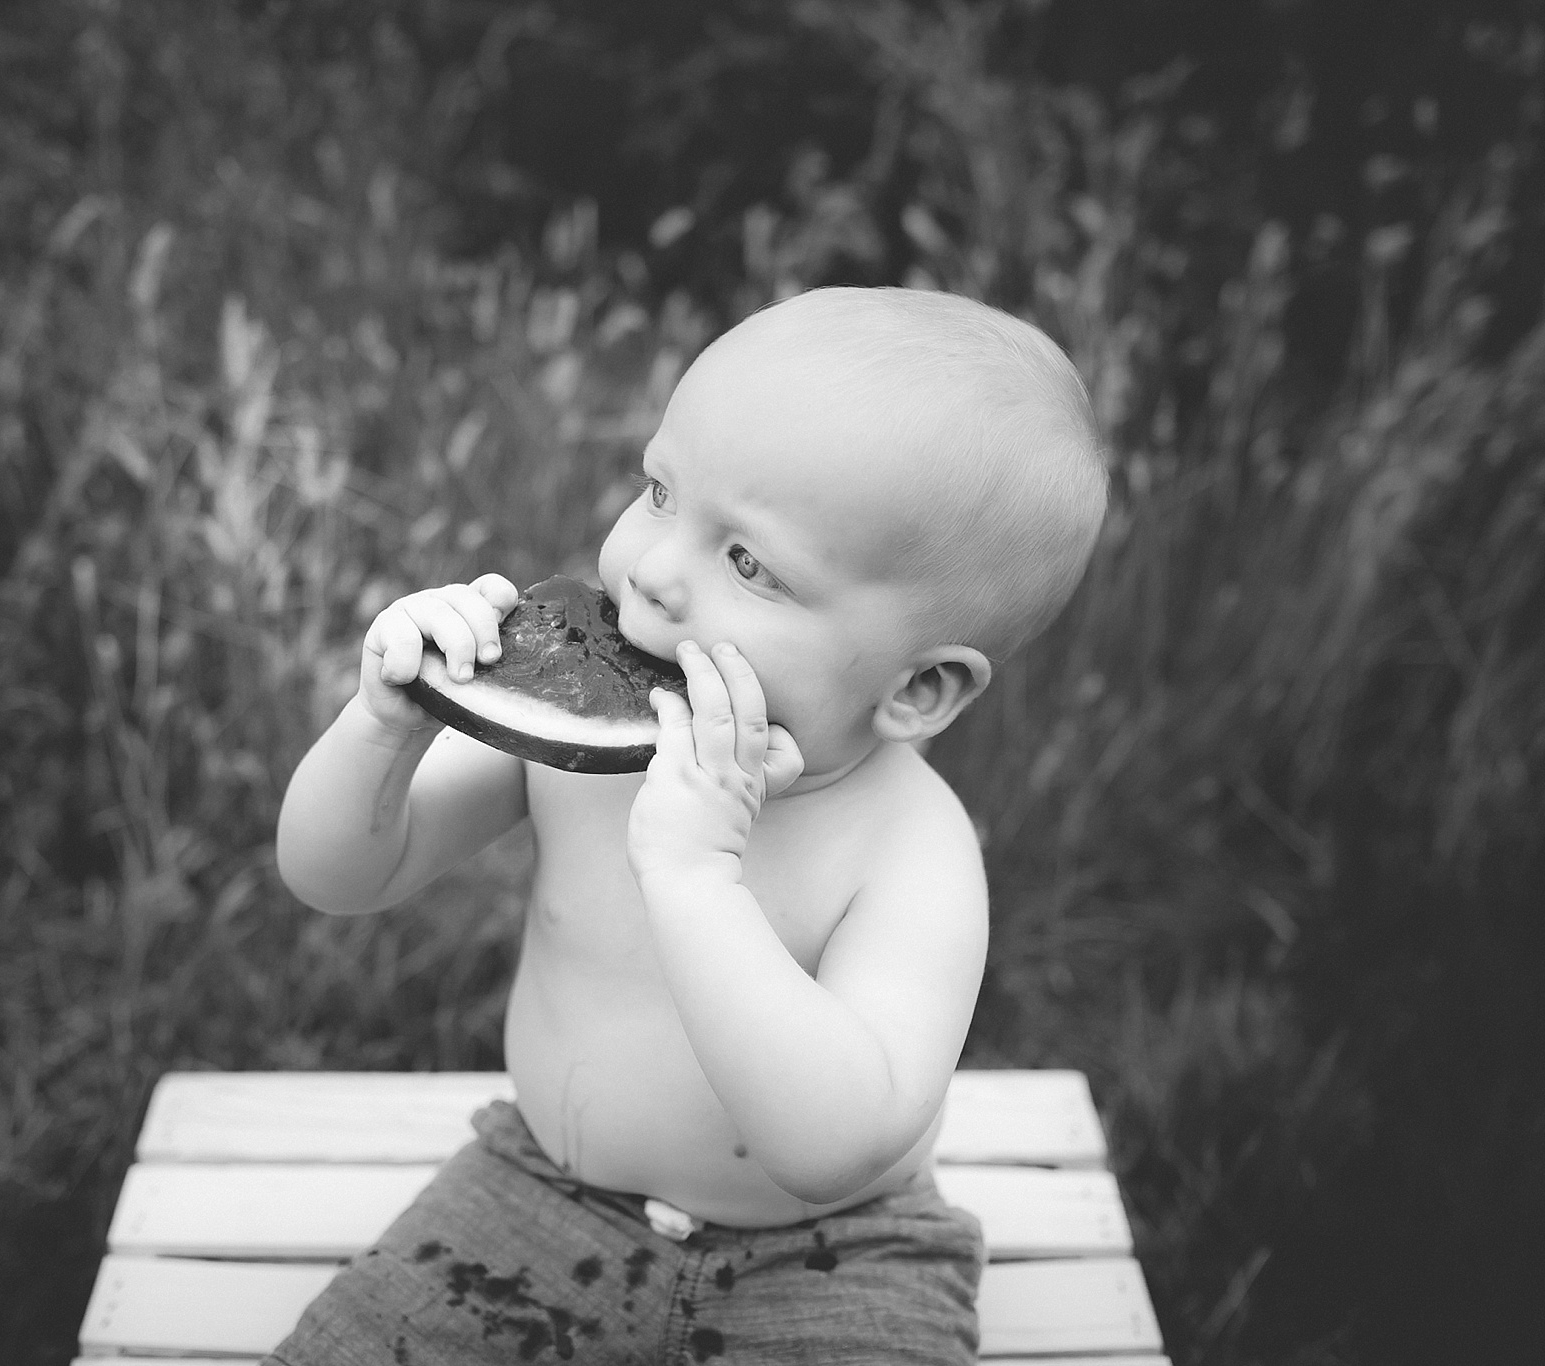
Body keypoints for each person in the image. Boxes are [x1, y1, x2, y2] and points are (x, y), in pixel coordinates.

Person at [270, 286, 1107, 1364]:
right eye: (659, 491)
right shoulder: (588, 745)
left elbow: (832, 1145)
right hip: (537, 1192)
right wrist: (381, 724)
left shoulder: (912, 851)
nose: (653, 574)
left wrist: (696, 878)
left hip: (834, 1255)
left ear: (919, 688)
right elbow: (338, 874)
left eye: (748, 563)